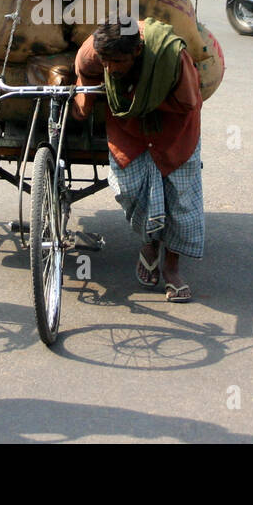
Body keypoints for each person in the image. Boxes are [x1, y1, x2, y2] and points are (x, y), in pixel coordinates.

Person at [70, 19, 203, 303]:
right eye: (105, 62)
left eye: (118, 62)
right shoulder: (93, 53)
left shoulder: (172, 56)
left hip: (175, 130)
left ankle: (172, 268)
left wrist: (140, 97)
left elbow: (189, 101)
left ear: (138, 51)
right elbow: (85, 74)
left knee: (179, 201)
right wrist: (84, 103)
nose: (111, 69)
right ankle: (149, 245)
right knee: (130, 191)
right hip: (128, 130)